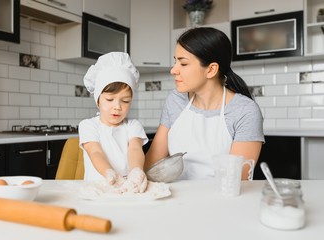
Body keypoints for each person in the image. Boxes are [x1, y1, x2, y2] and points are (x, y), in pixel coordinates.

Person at [145, 27, 264, 180]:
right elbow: (152, 160)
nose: (173, 70)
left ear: (211, 70)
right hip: (175, 199)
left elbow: (235, 180)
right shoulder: (176, 100)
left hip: (220, 201)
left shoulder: (245, 111)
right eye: (175, 62)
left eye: (183, 64)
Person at [79, 52, 148, 193]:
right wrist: (110, 173)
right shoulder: (88, 125)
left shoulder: (133, 126)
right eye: (110, 100)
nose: (117, 106)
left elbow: (135, 149)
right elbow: (95, 152)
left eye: (125, 101)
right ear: (98, 99)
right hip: (97, 190)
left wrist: (135, 172)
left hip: (127, 189)